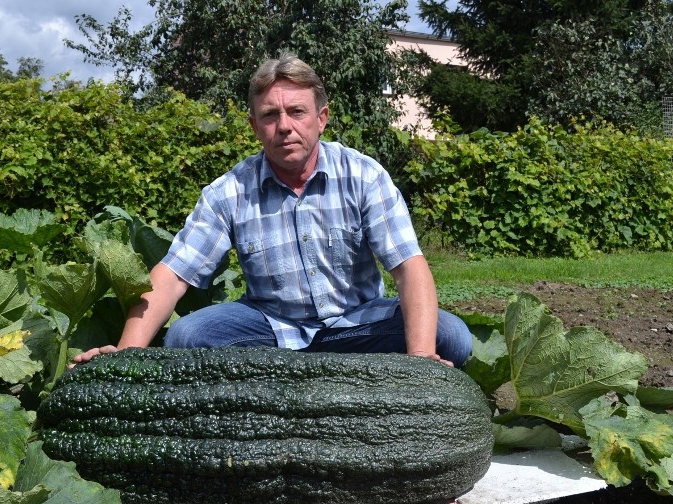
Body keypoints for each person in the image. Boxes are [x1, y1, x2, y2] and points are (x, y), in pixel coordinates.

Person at [74, 52, 471, 368]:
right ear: (254, 126)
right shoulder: (229, 191)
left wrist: (420, 361)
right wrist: (126, 357)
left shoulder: (363, 175)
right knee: (187, 338)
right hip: (269, 328)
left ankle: (290, 376)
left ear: (321, 118)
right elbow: (174, 275)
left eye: (296, 112)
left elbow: (408, 266)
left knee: (450, 337)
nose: (284, 126)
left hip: (357, 323)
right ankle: (323, 377)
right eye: (270, 115)